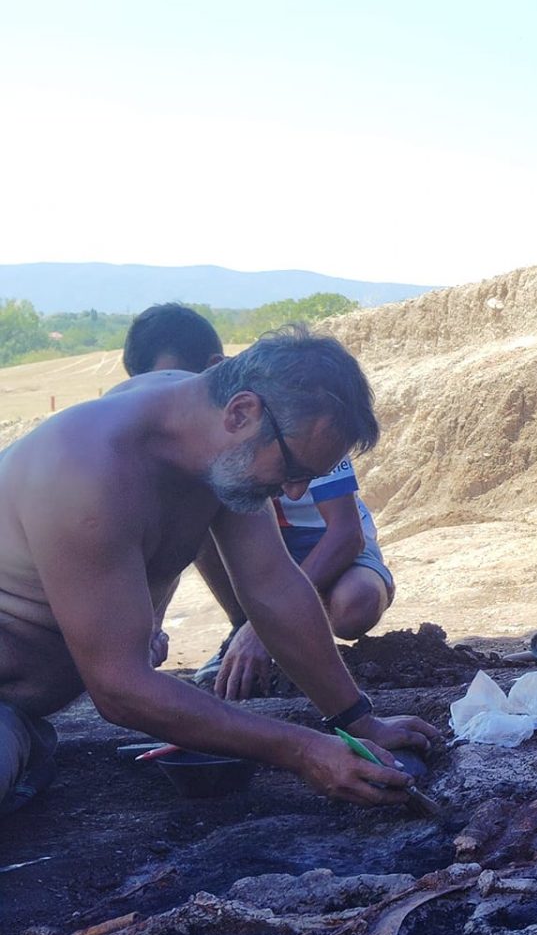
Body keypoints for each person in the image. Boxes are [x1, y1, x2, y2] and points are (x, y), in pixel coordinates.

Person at [0, 329, 440, 818]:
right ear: (241, 413)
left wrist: (360, 722)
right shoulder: (87, 474)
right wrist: (301, 749)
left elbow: (273, 587)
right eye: (292, 468)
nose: (294, 494)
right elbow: (120, 687)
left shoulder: (209, 434)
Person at [120, 304, 396, 698]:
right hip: (259, 555)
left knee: (356, 605)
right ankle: (246, 626)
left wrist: (268, 627)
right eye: (155, 383)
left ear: (215, 366)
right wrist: (151, 622)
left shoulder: (298, 406)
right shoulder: (192, 438)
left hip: (328, 550)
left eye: (176, 377)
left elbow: (345, 534)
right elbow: (175, 534)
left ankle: (272, 634)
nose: (170, 392)